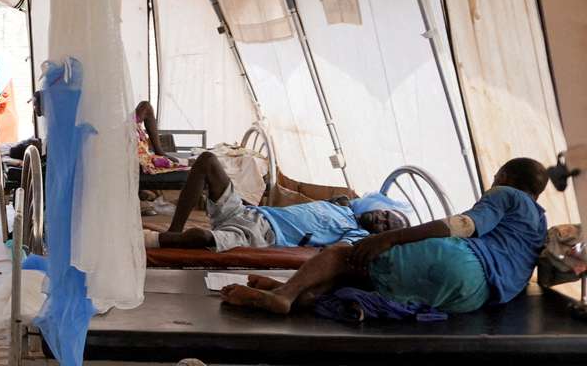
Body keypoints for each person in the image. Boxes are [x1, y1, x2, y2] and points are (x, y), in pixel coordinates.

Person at [221, 157, 549, 316]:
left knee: (341, 253)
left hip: (461, 262)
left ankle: (285, 294)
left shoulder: (506, 194)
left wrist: (390, 238)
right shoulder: (540, 223)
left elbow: (464, 226)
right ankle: (299, 294)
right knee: (359, 275)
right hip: (472, 298)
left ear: (504, 176)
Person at [143, 151, 408, 251]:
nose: (380, 218)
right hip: (251, 212)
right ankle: (173, 232)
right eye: (385, 214)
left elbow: (335, 252)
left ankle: (149, 242)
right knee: (207, 161)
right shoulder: (344, 207)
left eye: (386, 226)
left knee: (202, 237)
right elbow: (341, 200)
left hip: (261, 234)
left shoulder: (354, 234)